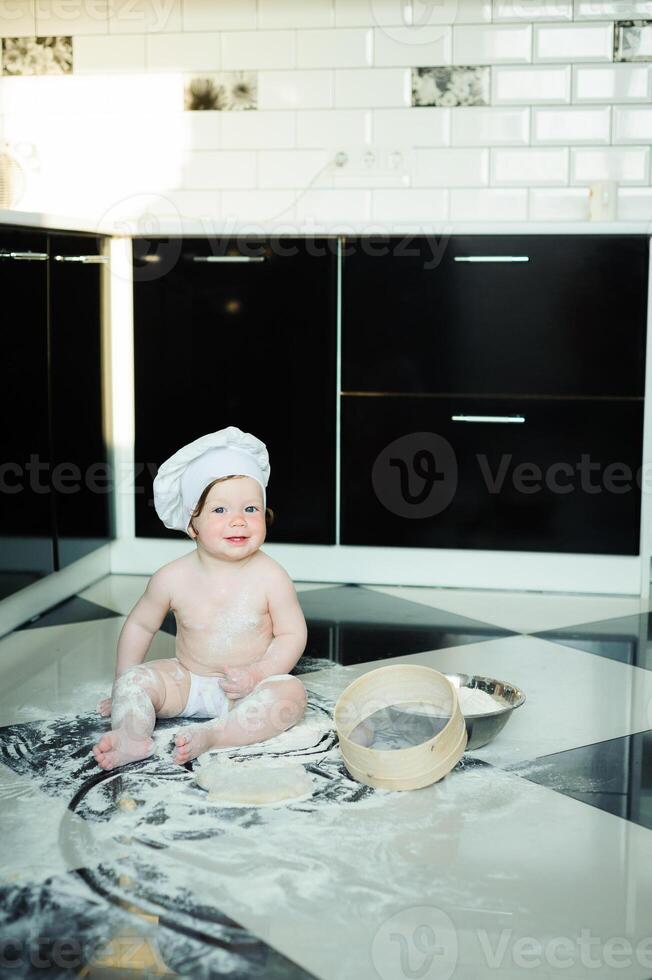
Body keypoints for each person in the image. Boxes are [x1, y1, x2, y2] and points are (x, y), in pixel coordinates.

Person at [92, 426, 308, 771]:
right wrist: (121, 683)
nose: (238, 520)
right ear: (191, 524)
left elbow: (292, 634)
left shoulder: (272, 576)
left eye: (251, 509)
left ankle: (216, 735)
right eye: (219, 511)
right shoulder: (171, 577)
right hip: (186, 680)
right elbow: (140, 625)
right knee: (135, 682)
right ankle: (132, 734)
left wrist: (259, 673)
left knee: (291, 695)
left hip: (248, 689)